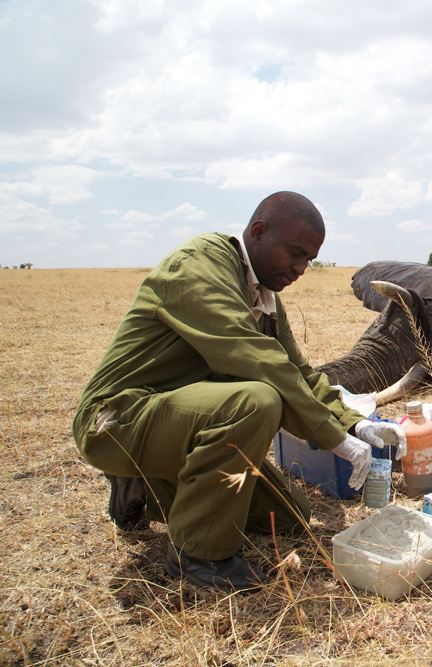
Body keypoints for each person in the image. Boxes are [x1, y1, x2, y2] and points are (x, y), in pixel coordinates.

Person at [72, 191, 406, 592]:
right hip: (118, 418)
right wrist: (334, 438)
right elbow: (256, 359)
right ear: (258, 232)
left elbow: (299, 372)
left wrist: (356, 424)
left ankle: (147, 486)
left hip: (180, 420)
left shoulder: (265, 299)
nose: (301, 268)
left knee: (289, 517)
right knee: (257, 402)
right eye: (295, 253)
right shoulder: (200, 264)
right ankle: (198, 559)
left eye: (309, 260)